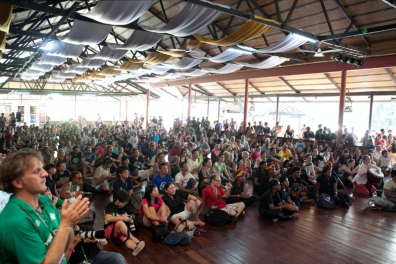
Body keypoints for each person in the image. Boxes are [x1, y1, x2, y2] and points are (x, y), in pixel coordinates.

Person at [0, 149, 90, 263]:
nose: (45, 173)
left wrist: (69, 222)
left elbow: (65, 244)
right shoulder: (14, 221)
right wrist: (66, 225)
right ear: (18, 182)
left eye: (42, 168)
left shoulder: (44, 201)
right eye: (37, 171)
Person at [104, 190, 145, 256]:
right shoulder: (110, 206)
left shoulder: (125, 207)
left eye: (126, 203)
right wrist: (122, 218)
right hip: (108, 231)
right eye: (123, 203)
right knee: (120, 223)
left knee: (126, 239)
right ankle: (136, 241)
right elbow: (108, 218)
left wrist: (129, 219)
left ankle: (135, 248)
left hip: (118, 231)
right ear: (117, 200)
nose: (124, 204)